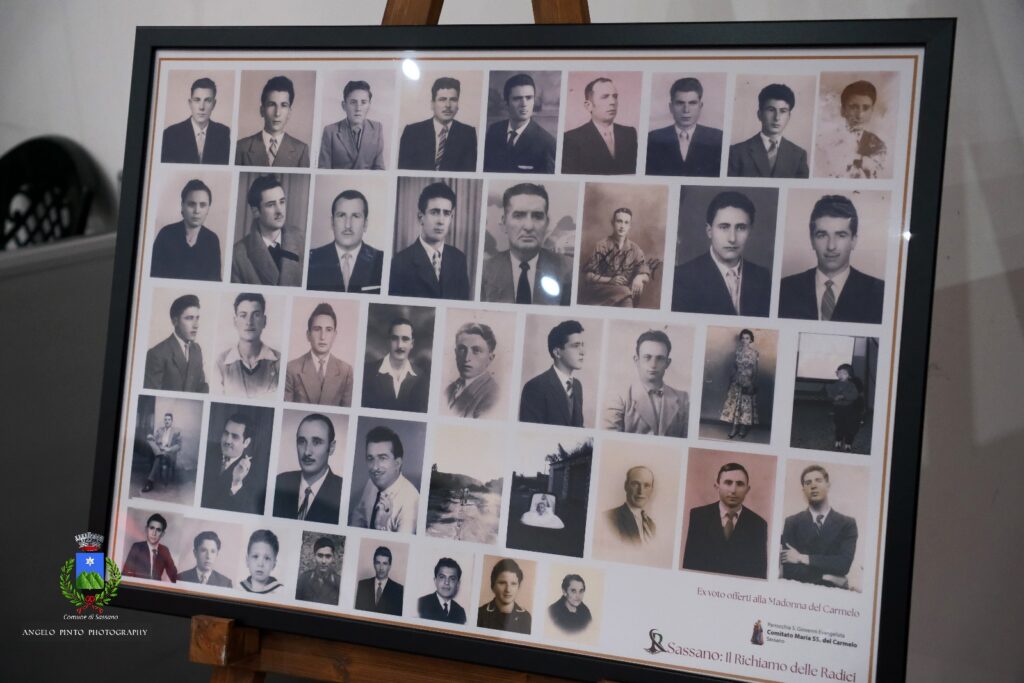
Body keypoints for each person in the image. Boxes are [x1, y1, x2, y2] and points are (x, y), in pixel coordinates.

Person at [778, 194, 884, 324]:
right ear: (812, 241)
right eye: (822, 235)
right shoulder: (784, 289)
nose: (831, 246)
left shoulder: (879, 293)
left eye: (841, 235)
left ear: (853, 241)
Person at [671, 190, 771, 317]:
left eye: (741, 228)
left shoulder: (762, 276)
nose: (732, 238)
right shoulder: (682, 277)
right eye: (724, 227)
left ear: (749, 232)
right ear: (709, 231)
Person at [480, 183, 572, 306]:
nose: (528, 226)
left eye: (537, 216)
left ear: (546, 223)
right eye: (518, 216)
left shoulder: (568, 270)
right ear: (504, 223)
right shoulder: (484, 271)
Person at [682, 462, 768, 579]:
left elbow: (759, 574)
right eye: (728, 482)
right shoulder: (698, 517)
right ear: (717, 486)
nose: (733, 490)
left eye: (740, 484)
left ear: (747, 490)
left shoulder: (759, 525)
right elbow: (689, 565)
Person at [388, 182, 471, 300]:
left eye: (446, 213)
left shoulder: (459, 259)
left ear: (451, 218)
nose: (441, 221)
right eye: (434, 212)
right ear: (420, 217)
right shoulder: (400, 262)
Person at [780, 465, 858, 587]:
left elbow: (843, 564)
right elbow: (790, 571)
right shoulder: (792, 522)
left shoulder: (847, 523)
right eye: (808, 483)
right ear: (803, 490)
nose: (813, 485)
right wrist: (828, 577)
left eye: (818, 480)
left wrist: (801, 558)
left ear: (828, 485)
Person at [604, 330, 689, 437]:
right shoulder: (619, 398)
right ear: (636, 360)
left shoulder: (683, 399)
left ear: (667, 363)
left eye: (660, 358)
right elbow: (609, 439)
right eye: (647, 357)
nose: (653, 365)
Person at [231, 174, 304, 287]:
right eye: (271, 205)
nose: (279, 211)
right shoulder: (237, 256)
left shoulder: (301, 239)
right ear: (256, 211)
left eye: (282, 202)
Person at [306, 189, 384, 294]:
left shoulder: (381, 262)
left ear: (365, 224)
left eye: (356, 216)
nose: (348, 225)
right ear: (332, 222)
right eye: (341, 215)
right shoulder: (311, 261)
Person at [272, 413, 343, 524]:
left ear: (331, 447)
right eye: (302, 441)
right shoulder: (279, 483)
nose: (307, 452)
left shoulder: (343, 492)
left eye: (316, 442)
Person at [645, 77, 723, 177]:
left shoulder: (718, 138)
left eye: (692, 103)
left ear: (700, 106)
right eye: (680, 103)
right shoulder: (653, 138)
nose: (686, 110)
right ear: (671, 107)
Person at [728, 83, 809, 178]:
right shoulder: (737, 152)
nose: (777, 117)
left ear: (789, 116)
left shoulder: (798, 155)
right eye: (771, 110)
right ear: (759, 114)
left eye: (783, 111)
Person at [398, 77, 477, 172]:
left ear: (458, 104)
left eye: (453, 99)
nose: (448, 105)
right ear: (432, 104)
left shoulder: (468, 134)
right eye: (442, 99)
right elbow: (403, 170)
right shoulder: (412, 132)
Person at [350, 426, 419, 533]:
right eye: (370, 458)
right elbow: (359, 515)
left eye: (382, 458)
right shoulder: (371, 483)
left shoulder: (412, 502)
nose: (375, 467)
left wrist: (381, 526)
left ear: (397, 463)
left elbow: (399, 544)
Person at [150, 178, 222, 281]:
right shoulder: (166, 234)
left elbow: (215, 280)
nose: (197, 211)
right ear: (182, 205)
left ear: (208, 209)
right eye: (191, 204)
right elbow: (153, 275)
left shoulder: (212, 240)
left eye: (202, 205)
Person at [561, 77, 637, 175]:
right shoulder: (571, 139)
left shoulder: (629, 134)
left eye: (615, 96)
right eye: (605, 97)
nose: (613, 102)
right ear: (589, 105)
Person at [483, 73, 556, 174]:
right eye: (517, 98)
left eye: (529, 98)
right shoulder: (494, 130)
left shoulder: (547, 143)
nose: (524, 104)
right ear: (506, 103)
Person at [579, 207, 651, 307]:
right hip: (602, 292)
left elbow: (645, 271)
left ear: (630, 226)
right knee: (626, 292)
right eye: (619, 221)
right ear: (612, 223)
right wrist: (610, 280)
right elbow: (588, 276)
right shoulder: (601, 246)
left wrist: (639, 278)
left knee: (626, 294)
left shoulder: (635, 249)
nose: (622, 226)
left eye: (626, 223)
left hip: (624, 294)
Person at [284, 303, 354, 407]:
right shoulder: (291, 369)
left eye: (328, 330)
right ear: (308, 335)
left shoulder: (346, 371)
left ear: (334, 335)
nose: (322, 337)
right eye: (317, 329)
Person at [520, 320, 585, 427]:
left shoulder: (577, 386)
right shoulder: (535, 387)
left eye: (582, 345)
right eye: (576, 345)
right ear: (557, 352)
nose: (583, 352)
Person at [235, 75, 309, 167]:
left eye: (284, 105)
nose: (277, 113)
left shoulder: (301, 150)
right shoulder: (241, 147)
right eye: (271, 104)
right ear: (262, 110)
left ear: (289, 112)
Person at [215, 293, 280, 398]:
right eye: (243, 315)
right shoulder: (220, 362)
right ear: (235, 321)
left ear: (264, 321)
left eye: (256, 315)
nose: (249, 322)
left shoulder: (280, 362)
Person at [818, 80, 887, 179]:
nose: (860, 115)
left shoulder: (878, 145)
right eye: (854, 107)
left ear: (872, 111)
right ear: (843, 110)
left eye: (866, 108)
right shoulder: (825, 140)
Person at [144, 294, 209, 393]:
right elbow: (151, 396)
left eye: (197, 318)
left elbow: (202, 387)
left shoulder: (196, 350)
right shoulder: (157, 354)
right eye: (189, 318)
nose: (196, 325)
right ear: (175, 321)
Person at [361, 317, 429, 413]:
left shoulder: (422, 377)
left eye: (405, 339)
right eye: (394, 338)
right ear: (388, 341)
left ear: (412, 344)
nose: (399, 345)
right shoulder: (367, 372)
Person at [201, 412, 263, 514]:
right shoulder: (206, 450)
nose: (227, 440)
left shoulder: (254, 473)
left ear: (246, 442)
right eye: (226, 433)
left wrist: (236, 483)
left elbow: (246, 511)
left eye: (235, 436)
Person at [161, 77, 231, 165]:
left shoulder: (223, 133)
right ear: (190, 103)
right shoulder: (171, 134)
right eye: (197, 100)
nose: (201, 107)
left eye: (208, 100)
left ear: (214, 104)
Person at [318, 80, 385, 170]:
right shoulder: (330, 131)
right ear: (344, 105)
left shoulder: (377, 128)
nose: (358, 108)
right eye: (353, 102)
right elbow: (323, 169)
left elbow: (379, 169)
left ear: (369, 105)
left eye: (363, 102)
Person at [444, 322, 499, 419]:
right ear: (456, 353)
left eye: (476, 350)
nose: (467, 358)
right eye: (462, 349)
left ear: (490, 358)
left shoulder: (493, 396)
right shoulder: (449, 390)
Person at [720, 329, 760, 439]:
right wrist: (731, 380)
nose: (744, 340)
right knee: (735, 405)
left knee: (745, 406)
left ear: (751, 340)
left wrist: (752, 384)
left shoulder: (754, 353)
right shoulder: (737, 352)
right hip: (736, 381)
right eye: (743, 338)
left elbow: (755, 370)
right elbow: (734, 367)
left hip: (747, 381)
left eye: (747, 338)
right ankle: (734, 428)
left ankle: (743, 428)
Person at [604, 466, 657, 545]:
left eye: (646, 485)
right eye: (635, 484)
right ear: (626, 486)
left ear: (651, 489)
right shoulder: (609, 519)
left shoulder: (651, 525)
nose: (641, 491)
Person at [477, 558, 531, 634]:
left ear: (518, 587)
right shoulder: (480, 614)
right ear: (493, 585)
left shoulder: (526, 617)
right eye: (502, 583)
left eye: (513, 584)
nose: (508, 589)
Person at [122, 513, 178, 582]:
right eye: (152, 528)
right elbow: (125, 574)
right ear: (146, 529)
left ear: (162, 534)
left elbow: (174, 576)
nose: (154, 533)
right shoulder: (137, 547)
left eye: (158, 530)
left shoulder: (164, 550)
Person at [354, 546, 404, 615]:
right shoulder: (362, 585)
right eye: (378, 563)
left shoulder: (399, 590)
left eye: (385, 563)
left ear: (389, 566)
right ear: (374, 564)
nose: (381, 568)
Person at [416, 557, 467, 624]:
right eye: (442, 577)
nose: (447, 582)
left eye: (452, 578)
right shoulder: (421, 603)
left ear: (457, 584)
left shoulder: (460, 612)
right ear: (435, 580)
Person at [142, 412, 182, 493]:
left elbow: (179, 446)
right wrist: (150, 437)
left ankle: (150, 482)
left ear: (172, 421)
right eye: (165, 419)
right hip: (159, 449)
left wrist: (169, 449)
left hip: (168, 451)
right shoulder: (160, 430)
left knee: (158, 457)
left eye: (169, 420)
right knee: (149, 441)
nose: (167, 421)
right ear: (164, 421)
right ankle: (158, 454)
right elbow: (154, 439)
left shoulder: (176, 431)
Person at [828, 364, 863, 452]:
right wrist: (833, 397)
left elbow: (854, 395)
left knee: (850, 426)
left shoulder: (851, 385)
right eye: (839, 372)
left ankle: (848, 443)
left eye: (844, 373)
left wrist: (843, 396)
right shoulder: (835, 385)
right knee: (839, 425)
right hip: (838, 409)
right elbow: (830, 393)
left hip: (849, 409)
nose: (841, 375)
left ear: (849, 375)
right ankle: (838, 440)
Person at [295, 537, 340, 605]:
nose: (323, 561)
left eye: (328, 556)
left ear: (333, 558)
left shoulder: (339, 582)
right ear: (314, 556)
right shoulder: (303, 579)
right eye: (320, 556)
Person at [240, 529, 283, 594]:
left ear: (274, 564)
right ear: (247, 560)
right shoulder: (238, 588)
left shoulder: (281, 592)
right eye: (255, 556)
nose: (260, 564)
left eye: (267, 558)